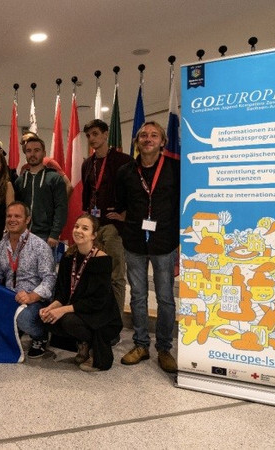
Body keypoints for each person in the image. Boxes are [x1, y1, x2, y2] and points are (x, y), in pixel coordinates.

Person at [115, 121, 180, 374]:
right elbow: (121, 204)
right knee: (138, 296)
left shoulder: (175, 169)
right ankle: (141, 344)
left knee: (165, 298)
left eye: (154, 135)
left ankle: (164, 348)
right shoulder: (126, 172)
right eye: (143, 135)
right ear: (137, 141)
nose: (148, 138)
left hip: (164, 243)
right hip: (134, 242)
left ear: (163, 142)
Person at [0, 202, 56, 359]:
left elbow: (49, 280)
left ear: (27, 220)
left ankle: (40, 336)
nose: (12, 219)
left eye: (17, 216)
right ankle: (14, 330)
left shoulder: (40, 246)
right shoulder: (0, 246)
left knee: (24, 318)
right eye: (9, 216)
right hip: (9, 297)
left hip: (34, 300)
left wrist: (31, 296)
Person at [39, 214, 123, 371]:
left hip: (100, 315)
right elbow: (62, 292)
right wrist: (52, 307)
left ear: (94, 235)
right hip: (79, 310)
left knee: (67, 320)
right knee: (47, 318)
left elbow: (97, 301)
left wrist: (62, 310)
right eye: (76, 226)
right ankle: (82, 343)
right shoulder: (68, 256)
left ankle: (92, 348)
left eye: (85, 228)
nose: (78, 231)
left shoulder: (102, 260)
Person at [80, 119, 133, 315]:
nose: (91, 139)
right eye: (88, 135)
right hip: (93, 225)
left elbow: (134, 192)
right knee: (92, 273)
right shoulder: (88, 163)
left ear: (105, 134)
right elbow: (86, 194)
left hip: (112, 226)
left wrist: (124, 214)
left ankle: (115, 322)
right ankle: (97, 316)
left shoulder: (123, 161)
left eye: (95, 134)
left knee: (115, 275)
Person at [13, 135, 68, 249]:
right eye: (29, 151)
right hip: (23, 235)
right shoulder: (20, 180)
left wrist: (54, 233)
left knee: (45, 267)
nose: (32, 154)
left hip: (46, 237)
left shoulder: (54, 178)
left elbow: (61, 208)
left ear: (44, 153)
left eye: (36, 150)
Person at [19, 131, 73, 196]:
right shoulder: (24, 168)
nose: (25, 144)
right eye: (23, 142)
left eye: (28, 141)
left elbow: (69, 186)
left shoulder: (49, 162)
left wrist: (60, 204)